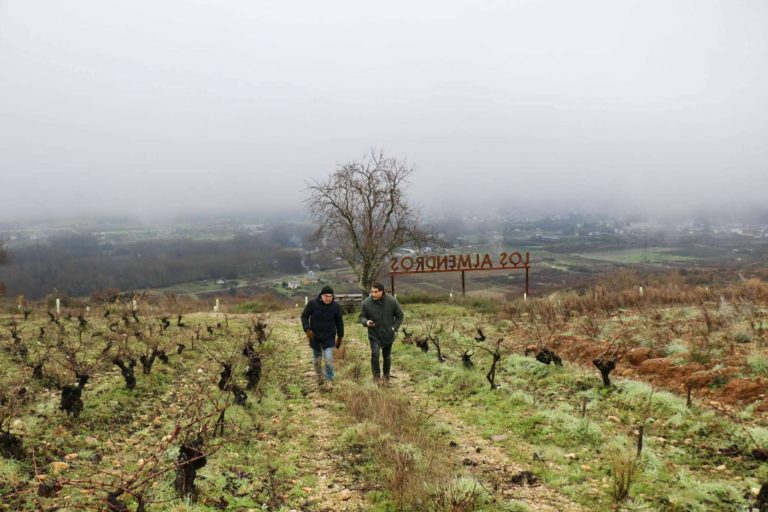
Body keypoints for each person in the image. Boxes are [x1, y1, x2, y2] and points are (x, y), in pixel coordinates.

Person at [359, 282, 404, 384]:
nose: (373, 294)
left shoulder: (391, 301)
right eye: (372, 292)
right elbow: (362, 316)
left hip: (388, 334)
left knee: (386, 356)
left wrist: (394, 328)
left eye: (375, 292)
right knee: (375, 354)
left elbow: (400, 316)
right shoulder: (367, 302)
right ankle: (376, 378)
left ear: (381, 292)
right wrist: (366, 322)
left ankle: (386, 377)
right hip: (374, 334)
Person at [301, 285, 344, 389]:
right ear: (321, 295)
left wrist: (340, 337)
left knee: (328, 359)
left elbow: (339, 323)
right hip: (314, 336)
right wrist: (307, 329)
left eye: (330, 296)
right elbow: (304, 316)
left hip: (329, 337)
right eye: (326, 296)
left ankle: (329, 380)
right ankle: (319, 375)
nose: (328, 298)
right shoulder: (312, 304)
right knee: (317, 359)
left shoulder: (336, 307)